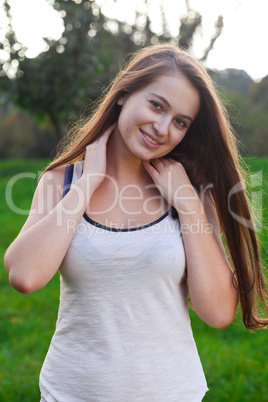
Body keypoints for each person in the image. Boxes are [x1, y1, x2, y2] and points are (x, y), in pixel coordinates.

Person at [4, 43, 268, 401]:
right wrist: (88, 182)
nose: (162, 128)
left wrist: (189, 206)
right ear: (124, 94)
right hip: (71, 392)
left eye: (180, 122)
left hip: (171, 392)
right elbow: (25, 275)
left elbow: (218, 312)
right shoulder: (61, 182)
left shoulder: (190, 194)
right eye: (156, 105)